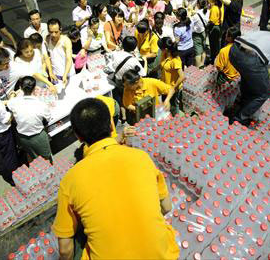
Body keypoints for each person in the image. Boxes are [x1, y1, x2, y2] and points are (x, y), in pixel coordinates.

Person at [52, 98, 179, 259]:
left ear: (78, 137)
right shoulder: (141, 157)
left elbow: (65, 250)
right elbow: (167, 207)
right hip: (162, 254)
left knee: (76, 236)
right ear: (112, 125)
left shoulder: (71, 180)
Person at [7, 76, 53, 162]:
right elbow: (48, 117)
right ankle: (49, 173)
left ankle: (35, 171)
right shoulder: (41, 104)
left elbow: (9, 103)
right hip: (38, 136)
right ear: (35, 88)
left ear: (20, 88)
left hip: (22, 137)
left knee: (31, 155)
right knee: (46, 157)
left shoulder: (14, 102)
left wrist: (13, 94)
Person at [159, 37, 184, 115]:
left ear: (166, 49)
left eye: (161, 48)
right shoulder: (165, 54)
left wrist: (174, 87)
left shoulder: (175, 60)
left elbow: (182, 76)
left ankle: (175, 123)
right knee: (166, 106)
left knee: (173, 106)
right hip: (164, 86)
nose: (160, 50)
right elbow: (162, 65)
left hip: (172, 89)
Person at [46, 18, 75, 85]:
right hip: (55, 76)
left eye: (56, 32)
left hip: (68, 75)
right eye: (51, 32)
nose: (53, 34)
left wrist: (65, 74)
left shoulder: (66, 41)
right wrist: (50, 72)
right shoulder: (47, 39)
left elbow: (69, 59)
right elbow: (47, 57)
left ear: (60, 29)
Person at [191, 0, 210, 68]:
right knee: (203, 48)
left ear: (198, 5)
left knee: (198, 51)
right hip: (204, 32)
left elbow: (190, 23)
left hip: (197, 34)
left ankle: (198, 67)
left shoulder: (196, 15)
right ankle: (202, 64)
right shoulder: (208, 12)